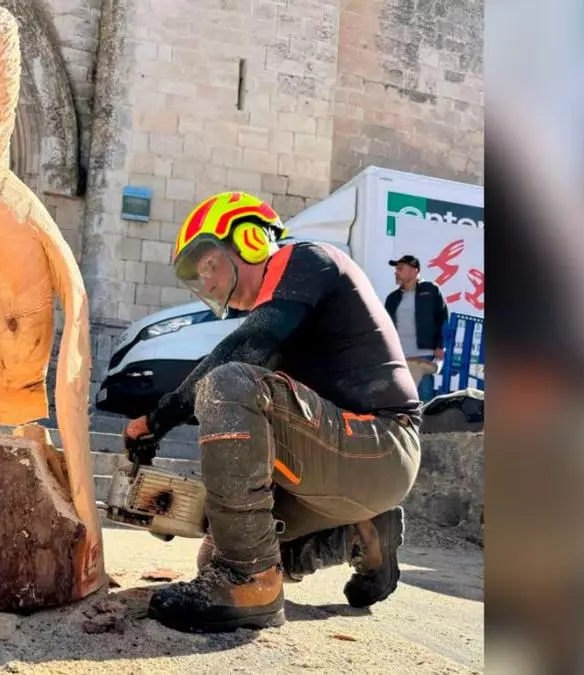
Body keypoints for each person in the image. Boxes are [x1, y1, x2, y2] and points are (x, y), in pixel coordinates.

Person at [124, 192, 422, 633]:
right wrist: (182, 508)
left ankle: (251, 584)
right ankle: (359, 534)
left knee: (226, 382)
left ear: (249, 240)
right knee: (223, 551)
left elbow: (240, 354)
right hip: (345, 467)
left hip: (382, 443)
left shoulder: (304, 259)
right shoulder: (287, 317)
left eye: (209, 265)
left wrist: (156, 421)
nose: (206, 283)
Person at [384, 255, 448, 403]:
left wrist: (440, 345)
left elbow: (443, 318)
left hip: (424, 353)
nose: (396, 272)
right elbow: (386, 326)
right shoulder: (392, 298)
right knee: (401, 392)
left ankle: (426, 418)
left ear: (414, 271)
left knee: (425, 393)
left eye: (400, 269)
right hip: (400, 353)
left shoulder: (431, 290)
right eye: (396, 269)